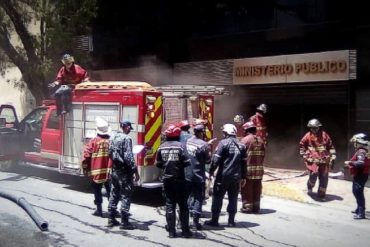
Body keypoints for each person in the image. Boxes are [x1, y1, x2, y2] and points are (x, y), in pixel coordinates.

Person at [205, 124, 246, 227]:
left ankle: (214, 220)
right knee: (233, 198)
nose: (223, 134)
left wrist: (210, 171)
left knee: (217, 197)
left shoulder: (223, 143)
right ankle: (231, 222)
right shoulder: (242, 145)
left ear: (226, 132)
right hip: (236, 177)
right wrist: (244, 177)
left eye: (223, 132)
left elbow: (216, 160)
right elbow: (244, 163)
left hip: (223, 176)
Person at [156, 124, 192, 238]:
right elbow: (187, 163)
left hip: (167, 180)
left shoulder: (161, 147)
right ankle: (185, 231)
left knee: (170, 204)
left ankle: (172, 232)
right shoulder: (181, 146)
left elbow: (158, 164)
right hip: (180, 180)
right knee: (183, 205)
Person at [107, 120, 140, 229]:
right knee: (126, 194)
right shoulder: (127, 139)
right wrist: (135, 171)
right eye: (129, 127)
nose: (130, 129)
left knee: (114, 193)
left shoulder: (113, 137)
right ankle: (124, 222)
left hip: (115, 169)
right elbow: (129, 157)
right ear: (125, 127)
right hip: (125, 171)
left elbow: (109, 153)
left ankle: (111, 219)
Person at [81, 117, 112, 217]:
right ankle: (113, 211)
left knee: (97, 191)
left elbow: (86, 156)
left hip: (96, 172)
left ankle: (99, 210)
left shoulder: (93, 141)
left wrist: (85, 168)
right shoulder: (110, 142)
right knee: (110, 191)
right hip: (108, 172)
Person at [299, 118, 336, 201]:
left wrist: (333, 155)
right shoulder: (307, 135)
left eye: (316, 128)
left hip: (324, 160)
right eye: (312, 128)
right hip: (313, 161)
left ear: (319, 127)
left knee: (324, 178)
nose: (314, 130)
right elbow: (302, 145)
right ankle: (310, 187)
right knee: (313, 175)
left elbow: (330, 146)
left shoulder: (324, 135)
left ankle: (321, 195)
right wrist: (303, 154)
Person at [185, 124, 211, 230]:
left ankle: (183, 221)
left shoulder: (187, 142)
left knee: (187, 197)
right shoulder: (204, 145)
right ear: (201, 132)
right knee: (198, 198)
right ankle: (195, 223)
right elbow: (208, 160)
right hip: (198, 176)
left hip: (187, 174)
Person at [240, 121, 266, 214]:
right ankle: (256, 207)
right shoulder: (261, 140)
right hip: (259, 170)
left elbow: (240, 155)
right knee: (257, 188)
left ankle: (247, 207)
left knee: (247, 188)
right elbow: (263, 155)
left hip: (248, 170)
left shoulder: (245, 140)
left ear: (246, 130)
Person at [344, 133, 369, 220]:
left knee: (358, 192)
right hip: (361, 174)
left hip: (361, 174)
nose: (355, 144)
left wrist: (350, 163)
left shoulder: (361, 151)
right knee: (356, 191)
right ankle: (359, 208)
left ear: (360, 142)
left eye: (356, 142)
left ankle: (361, 213)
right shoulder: (363, 150)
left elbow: (361, 163)